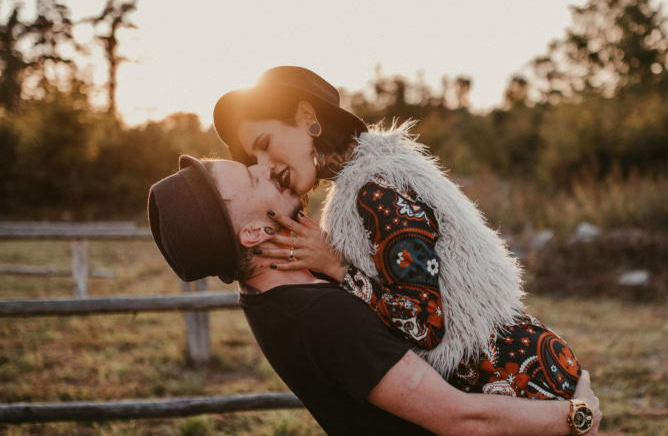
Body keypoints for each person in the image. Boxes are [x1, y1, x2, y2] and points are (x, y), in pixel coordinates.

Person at [147, 155, 601, 435]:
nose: (266, 167)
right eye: (252, 176)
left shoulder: (271, 295)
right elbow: (461, 420)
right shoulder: (320, 317)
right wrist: (579, 417)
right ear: (252, 232)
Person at [213, 67, 590, 403]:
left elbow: (424, 326)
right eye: (254, 159)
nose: (265, 165)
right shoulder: (366, 183)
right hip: (507, 375)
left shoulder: (373, 190)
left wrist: (337, 267)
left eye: (264, 144)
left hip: (515, 379)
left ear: (307, 116)